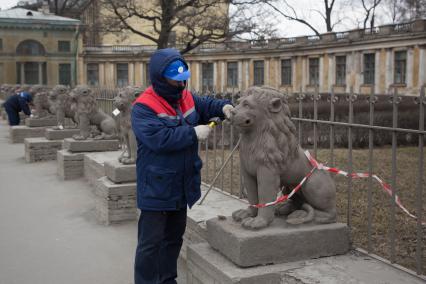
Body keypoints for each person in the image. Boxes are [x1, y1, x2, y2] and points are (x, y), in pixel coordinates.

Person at [131, 48, 234, 284]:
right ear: (159, 77)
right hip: (156, 187)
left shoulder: (186, 96)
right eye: (175, 80)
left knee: (174, 238)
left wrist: (223, 107)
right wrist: (192, 133)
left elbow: (206, 104)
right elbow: (159, 139)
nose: (180, 85)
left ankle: (167, 280)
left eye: (183, 80)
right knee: (150, 244)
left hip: (180, 185)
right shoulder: (143, 107)